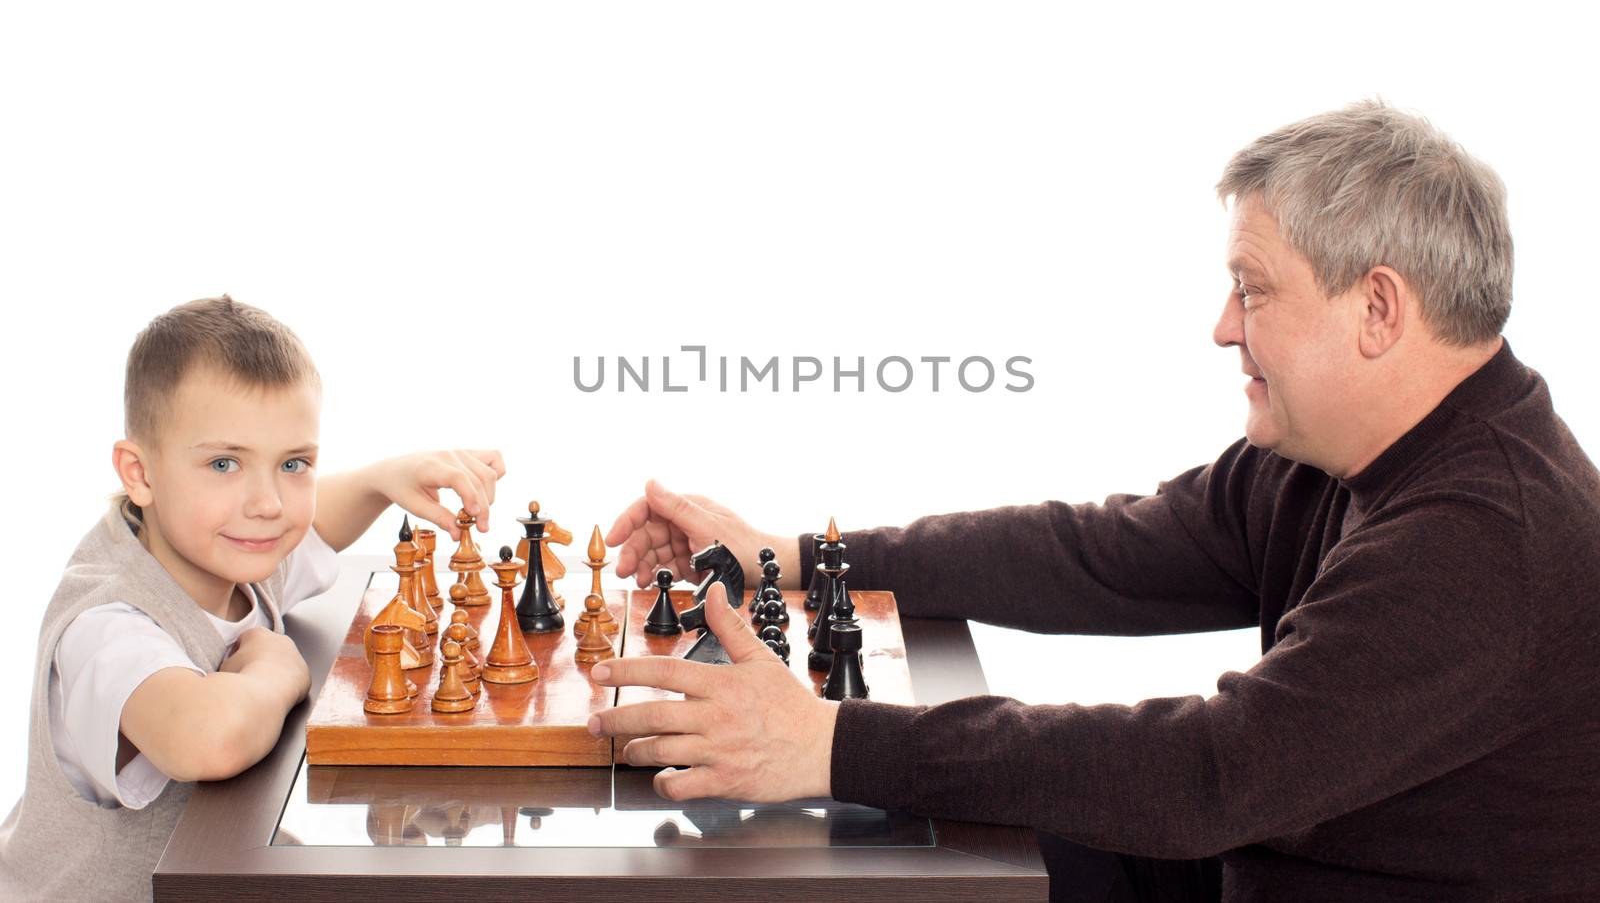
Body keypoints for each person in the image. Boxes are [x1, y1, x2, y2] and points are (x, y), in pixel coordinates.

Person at [589, 101, 1600, 901]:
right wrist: (796, 556)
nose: (1219, 326)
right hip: (1252, 866)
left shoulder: (1483, 539)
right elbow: (1099, 552)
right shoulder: (1334, 454)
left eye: (1251, 290)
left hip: (1265, 863)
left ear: (1377, 308)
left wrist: (827, 741)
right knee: (904, 844)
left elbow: (1208, 771)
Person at [0, 295, 506, 902]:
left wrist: (381, 480)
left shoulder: (226, 550)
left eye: (294, 462)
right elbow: (209, 738)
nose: (267, 503)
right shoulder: (107, 623)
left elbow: (314, 526)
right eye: (224, 463)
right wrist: (276, 668)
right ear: (139, 473)